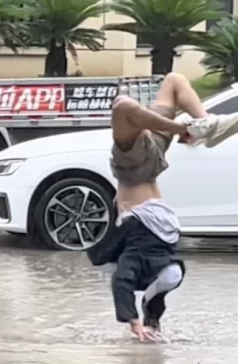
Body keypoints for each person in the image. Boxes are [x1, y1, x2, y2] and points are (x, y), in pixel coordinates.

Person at [85, 72, 238, 342]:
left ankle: (205, 127)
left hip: (147, 163)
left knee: (175, 81)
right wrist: (134, 322)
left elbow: (147, 288)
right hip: (135, 166)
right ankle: (197, 128)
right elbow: (123, 281)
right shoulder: (139, 252)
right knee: (124, 105)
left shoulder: (157, 249)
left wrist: (145, 321)